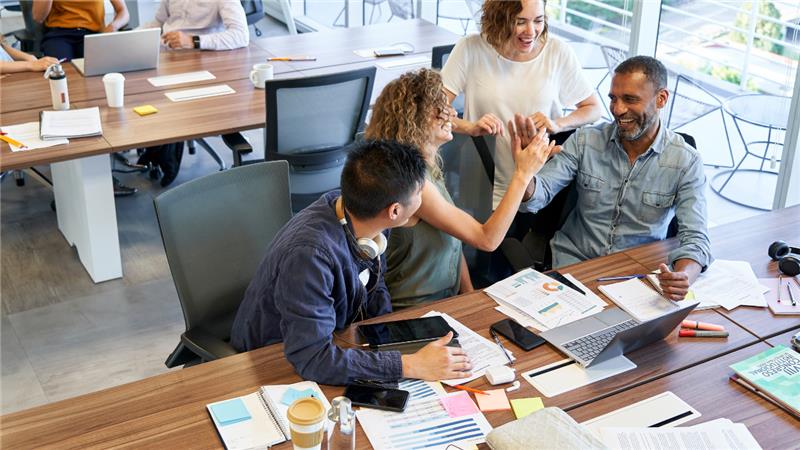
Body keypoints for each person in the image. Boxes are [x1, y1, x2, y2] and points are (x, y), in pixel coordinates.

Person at [230, 140, 472, 385]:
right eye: (420, 192)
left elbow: (376, 288)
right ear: (395, 211)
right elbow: (313, 359)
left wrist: (391, 343)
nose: (424, 196)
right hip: (272, 361)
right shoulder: (310, 257)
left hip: (331, 337)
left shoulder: (363, 216)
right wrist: (410, 364)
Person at [517, 55, 712, 300]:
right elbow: (539, 194)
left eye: (630, 99)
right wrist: (525, 173)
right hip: (574, 269)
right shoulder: (585, 140)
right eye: (613, 98)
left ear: (661, 99)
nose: (618, 110)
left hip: (637, 279)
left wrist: (684, 277)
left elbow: (696, 238)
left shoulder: (685, 161)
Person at [364, 69, 557, 308]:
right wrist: (522, 174)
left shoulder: (427, 166)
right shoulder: (412, 183)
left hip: (447, 299)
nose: (453, 113)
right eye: (440, 109)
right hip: (414, 311)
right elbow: (487, 239)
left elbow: (454, 237)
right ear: (413, 118)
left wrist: (469, 295)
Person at [441, 0, 602, 211]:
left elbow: (593, 108)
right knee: (482, 242)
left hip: (539, 185)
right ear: (499, 18)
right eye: (520, 22)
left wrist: (557, 124)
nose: (531, 31)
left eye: (538, 20)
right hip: (482, 180)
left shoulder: (557, 52)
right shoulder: (471, 48)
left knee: (528, 242)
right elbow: (432, 111)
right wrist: (469, 128)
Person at [137, 0, 250, 187]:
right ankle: (161, 148)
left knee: (171, 104)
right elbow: (158, 22)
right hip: (168, 56)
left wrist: (193, 40)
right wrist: (131, 37)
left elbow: (241, 35)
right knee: (143, 96)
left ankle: (167, 151)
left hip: (204, 60)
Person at [33, 0, 129, 60]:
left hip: (92, 35)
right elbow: (38, 17)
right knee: (62, 70)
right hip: (59, 34)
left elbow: (123, 11)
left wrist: (113, 26)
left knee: (98, 69)